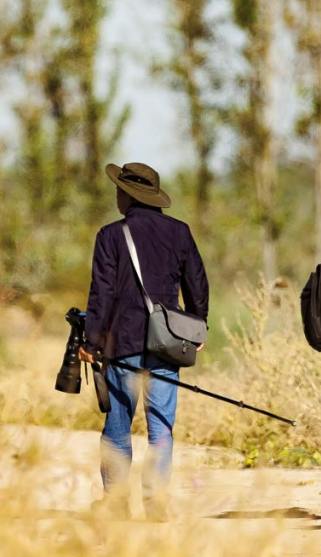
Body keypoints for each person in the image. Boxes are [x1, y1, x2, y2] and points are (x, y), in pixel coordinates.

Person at [78, 162, 209, 522]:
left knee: (118, 428)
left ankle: (117, 505)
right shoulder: (180, 232)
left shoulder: (110, 235)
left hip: (123, 344)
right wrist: (199, 327)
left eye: (119, 190)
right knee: (161, 427)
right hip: (168, 344)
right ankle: (156, 505)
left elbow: (101, 293)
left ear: (128, 195)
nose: (116, 195)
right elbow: (198, 284)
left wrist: (91, 340)